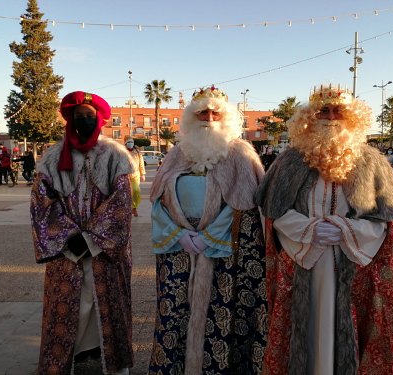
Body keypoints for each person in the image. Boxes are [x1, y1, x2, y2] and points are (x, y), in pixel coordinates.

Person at [256, 84, 393, 375]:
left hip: (352, 263)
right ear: (309, 118)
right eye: (322, 111)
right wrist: (306, 230)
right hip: (303, 260)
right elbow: (274, 214)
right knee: (305, 328)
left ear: (351, 118)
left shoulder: (372, 162)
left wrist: (348, 231)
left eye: (337, 110)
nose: (330, 116)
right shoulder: (289, 160)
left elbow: (386, 222)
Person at [148, 86, 267, 374]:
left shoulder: (241, 153)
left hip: (224, 254)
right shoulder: (178, 153)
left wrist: (210, 236)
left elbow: (246, 205)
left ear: (226, 117)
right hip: (179, 248)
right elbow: (157, 200)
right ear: (192, 116)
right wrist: (180, 235)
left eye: (216, 112)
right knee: (174, 312)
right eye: (202, 111)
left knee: (223, 311)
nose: (209, 117)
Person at [31, 91, 135, 374]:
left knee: (108, 306)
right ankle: (63, 362)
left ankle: (114, 364)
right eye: (79, 117)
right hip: (67, 252)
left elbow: (122, 202)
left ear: (100, 119)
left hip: (104, 252)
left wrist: (92, 239)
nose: (85, 121)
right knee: (67, 308)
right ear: (70, 120)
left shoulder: (114, 155)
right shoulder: (53, 156)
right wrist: (67, 237)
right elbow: (41, 203)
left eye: (90, 116)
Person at [124, 136, 146, 217]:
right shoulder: (122, 152)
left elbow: (141, 163)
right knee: (126, 193)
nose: (130, 144)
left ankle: (134, 208)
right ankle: (127, 210)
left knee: (136, 191)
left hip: (135, 175)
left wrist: (142, 174)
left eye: (131, 142)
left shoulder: (137, 151)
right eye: (128, 142)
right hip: (125, 175)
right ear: (125, 143)